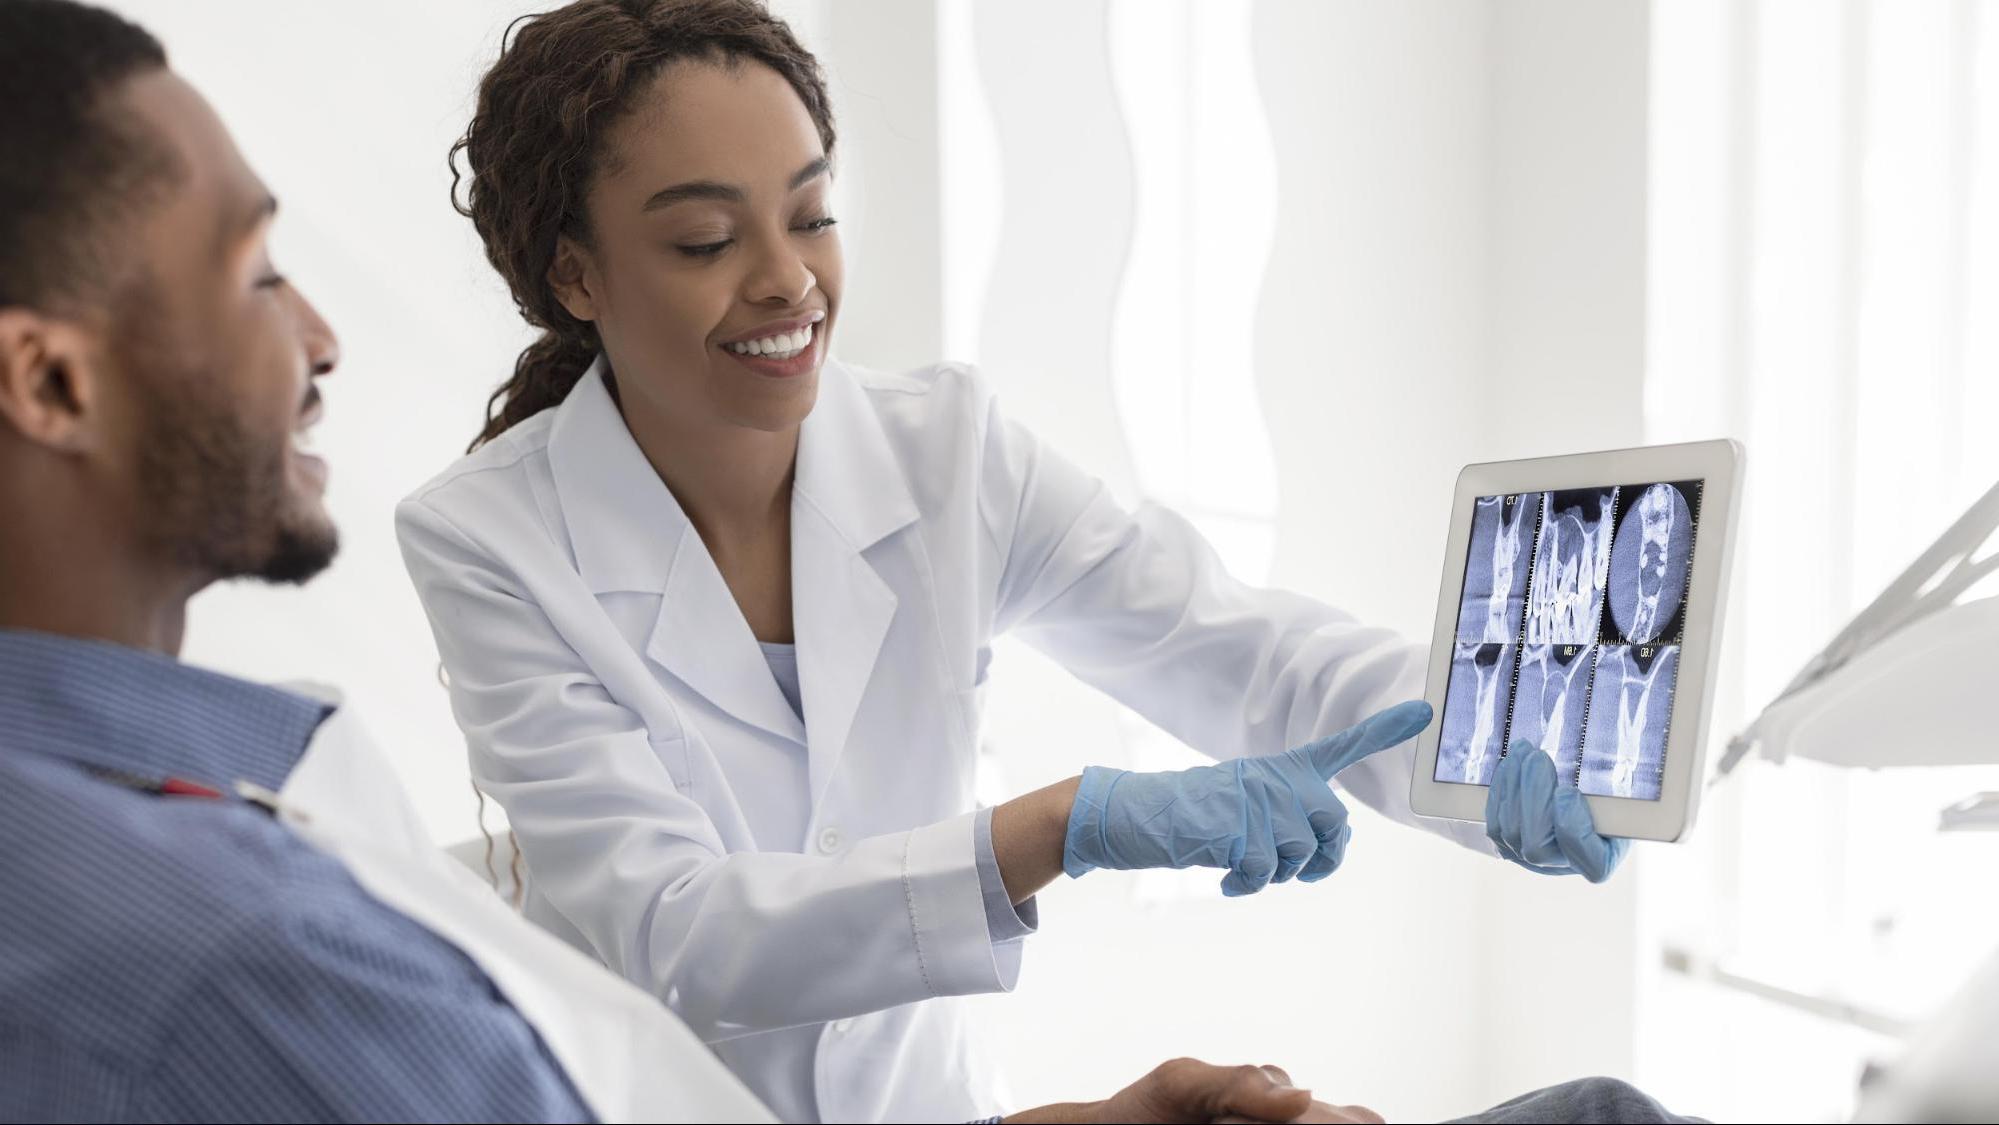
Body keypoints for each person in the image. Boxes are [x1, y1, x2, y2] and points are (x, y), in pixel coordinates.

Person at [0, 3, 1704, 1123]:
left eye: (810, 213)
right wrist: (1062, 827)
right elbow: (680, 934)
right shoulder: (492, 538)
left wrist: (1483, 752)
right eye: (703, 237)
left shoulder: (940, 447)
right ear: (576, 272)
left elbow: (1248, 656)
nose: (788, 281)